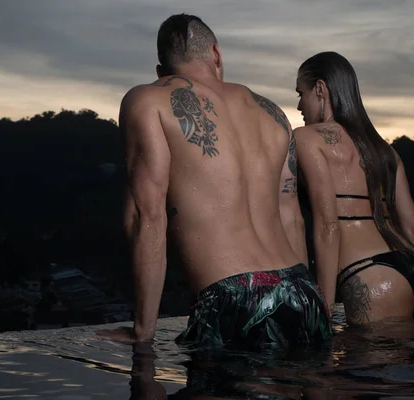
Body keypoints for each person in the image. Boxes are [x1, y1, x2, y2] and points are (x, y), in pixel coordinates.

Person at [99, 14, 331, 350]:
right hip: (302, 289)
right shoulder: (272, 111)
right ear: (216, 54)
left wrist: (142, 330)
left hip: (234, 299)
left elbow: (144, 218)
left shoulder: (148, 99)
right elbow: (291, 215)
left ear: (160, 71)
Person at [292, 51, 414, 325]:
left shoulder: (306, 139)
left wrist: (324, 309)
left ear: (320, 89)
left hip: (371, 277)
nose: (299, 105)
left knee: (353, 367)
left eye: (300, 93)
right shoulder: (384, 149)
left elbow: (328, 226)